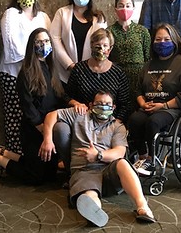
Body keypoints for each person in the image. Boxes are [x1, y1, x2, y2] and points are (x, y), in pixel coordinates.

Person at [42, 90, 156, 227]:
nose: (103, 106)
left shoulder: (117, 126)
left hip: (109, 170)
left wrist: (98, 155)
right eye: (99, 103)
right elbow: (51, 115)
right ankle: (94, 210)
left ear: (113, 107)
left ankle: (143, 207)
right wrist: (47, 140)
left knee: (123, 163)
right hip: (84, 170)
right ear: (91, 105)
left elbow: (119, 152)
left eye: (107, 104)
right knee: (89, 193)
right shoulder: (79, 114)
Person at [0, 28, 66, 184]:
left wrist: (73, 103)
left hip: (49, 127)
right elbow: (27, 106)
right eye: (39, 42)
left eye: (47, 41)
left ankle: (4, 152)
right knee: (35, 177)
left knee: (48, 175)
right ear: (32, 46)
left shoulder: (51, 69)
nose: (44, 44)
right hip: (34, 129)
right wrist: (43, 129)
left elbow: (59, 96)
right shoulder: (26, 72)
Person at [128, 23, 181, 176]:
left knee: (154, 122)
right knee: (134, 120)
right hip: (148, 106)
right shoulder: (148, 65)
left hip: (171, 109)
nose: (162, 43)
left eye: (166, 39)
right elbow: (138, 89)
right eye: (158, 39)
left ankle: (152, 160)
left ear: (174, 41)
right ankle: (143, 156)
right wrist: (142, 103)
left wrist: (163, 105)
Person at [0, 0, 51, 154]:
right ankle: (12, 156)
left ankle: (32, 156)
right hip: (13, 73)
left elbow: (48, 43)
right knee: (15, 115)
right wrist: (32, 60)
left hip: (38, 74)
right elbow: (10, 45)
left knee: (34, 115)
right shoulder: (11, 14)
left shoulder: (42, 17)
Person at [50, 0, 107, 84]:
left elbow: (103, 45)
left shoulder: (99, 18)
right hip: (65, 72)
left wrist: (91, 67)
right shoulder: (62, 13)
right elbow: (55, 40)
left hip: (92, 73)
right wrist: (70, 65)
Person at [66, 28, 130, 123]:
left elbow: (125, 104)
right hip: (83, 120)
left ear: (110, 48)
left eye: (105, 46)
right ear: (91, 46)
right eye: (97, 46)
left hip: (110, 121)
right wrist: (76, 104)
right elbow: (67, 96)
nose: (101, 49)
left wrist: (116, 124)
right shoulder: (79, 69)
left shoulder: (118, 73)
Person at [108, 0, 151, 112]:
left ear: (133, 7)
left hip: (139, 78)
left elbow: (148, 58)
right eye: (121, 6)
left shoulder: (142, 31)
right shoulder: (109, 31)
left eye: (128, 6)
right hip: (117, 77)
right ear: (115, 8)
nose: (124, 9)